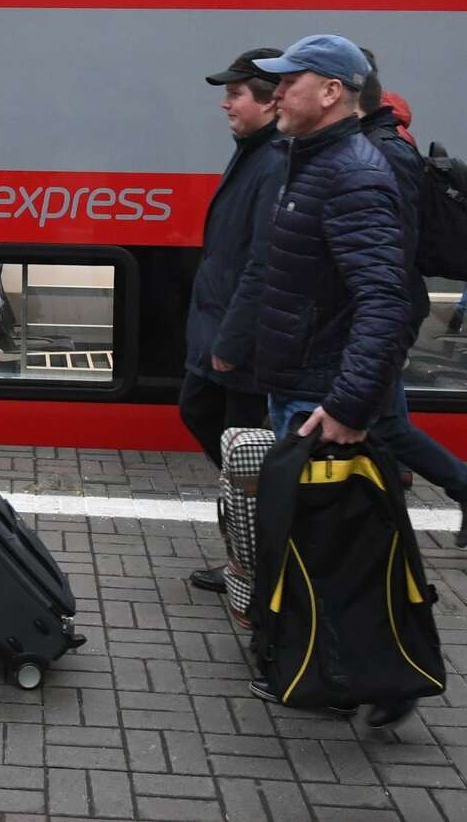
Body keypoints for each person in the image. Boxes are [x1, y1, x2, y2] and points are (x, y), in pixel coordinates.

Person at [239, 34, 416, 727]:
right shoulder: (310, 162)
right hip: (302, 383)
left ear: (332, 91)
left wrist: (347, 402)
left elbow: (383, 299)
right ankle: (336, 666)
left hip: (321, 393)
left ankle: (363, 677)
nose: (275, 92)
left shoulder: (352, 173)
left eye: (290, 81)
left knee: (330, 544)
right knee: (317, 540)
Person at [356, 51, 467, 549]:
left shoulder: (383, 150)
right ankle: (396, 480)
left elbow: (386, 244)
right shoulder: (384, 140)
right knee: (386, 416)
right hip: (390, 304)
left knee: (376, 417)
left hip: (384, 305)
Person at [181, 47, 285, 594]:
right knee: (204, 419)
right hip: (220, 328)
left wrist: (233, 336)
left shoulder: (274, 161)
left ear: (271, 102)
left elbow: (264, 262)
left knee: (243, 455)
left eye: (236, 93)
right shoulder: (251, 151)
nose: (226, 103)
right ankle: (248, 549)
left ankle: (253, 561)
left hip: (240, 342)